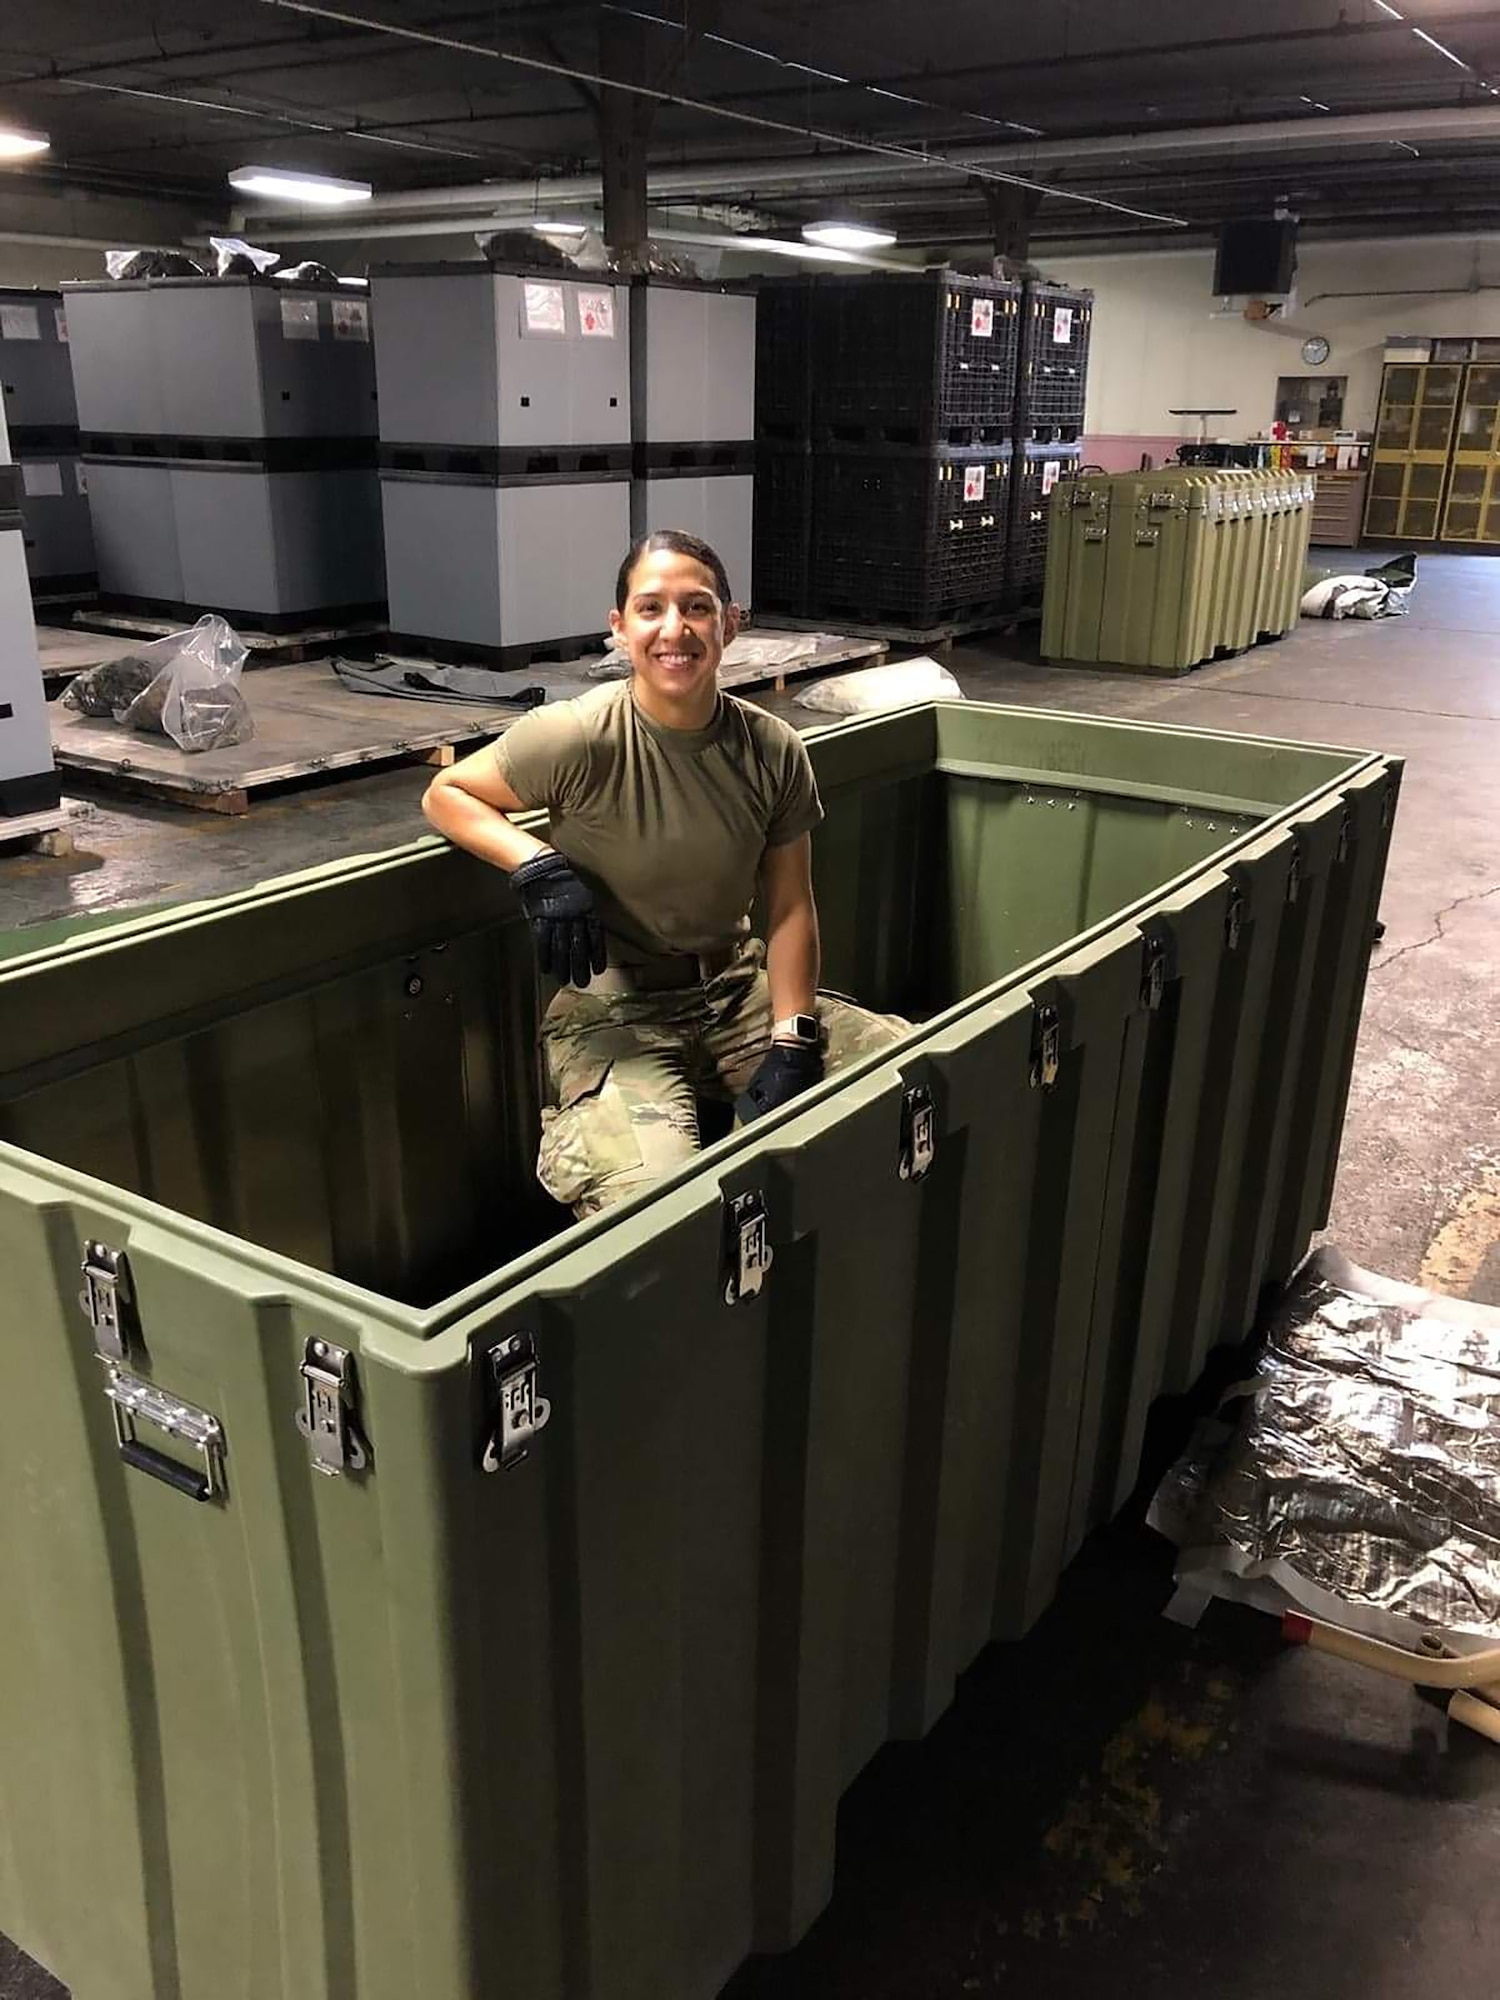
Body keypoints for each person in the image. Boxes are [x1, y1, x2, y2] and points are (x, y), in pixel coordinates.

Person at [421, 528, 909, 1217]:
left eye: (698, 607)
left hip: (737, 992)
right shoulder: (577, 735)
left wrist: (793, 1039)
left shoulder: (772, 750)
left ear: (731, 625)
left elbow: (792, 906)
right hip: (614, 1009)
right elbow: (446, 795)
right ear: (619, 628)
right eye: (650, 609)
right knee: (652, 1214)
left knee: (911, 1073)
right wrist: (535, 862)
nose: (674, 629)